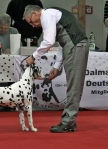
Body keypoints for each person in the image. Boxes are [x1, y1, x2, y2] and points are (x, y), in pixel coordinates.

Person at [23, 5, 89, 133]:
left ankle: (68, 122)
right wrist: (56, 66)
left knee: (74, 86)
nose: (32, 25)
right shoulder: (53, 14)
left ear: (35, 14)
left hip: (75, 47)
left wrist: (33, 57)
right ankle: (69, 121)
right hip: (75, 46)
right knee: (73, 85)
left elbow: (48, 41)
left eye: (30, 21)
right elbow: (61, 43)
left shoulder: (46, 15)